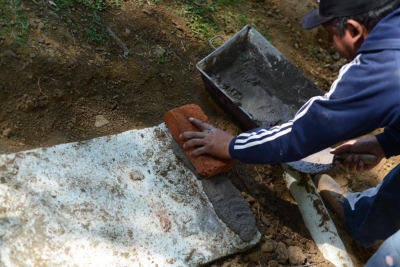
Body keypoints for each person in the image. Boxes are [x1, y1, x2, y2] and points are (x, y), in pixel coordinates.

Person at [180, 0, 400, 265]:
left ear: (353, 29)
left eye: (330, 34)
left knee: (391, 258)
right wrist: (387, 142)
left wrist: (231, 145)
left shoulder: (382, 72)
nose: (330, 42)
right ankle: (362, 219)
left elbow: (305, 133)